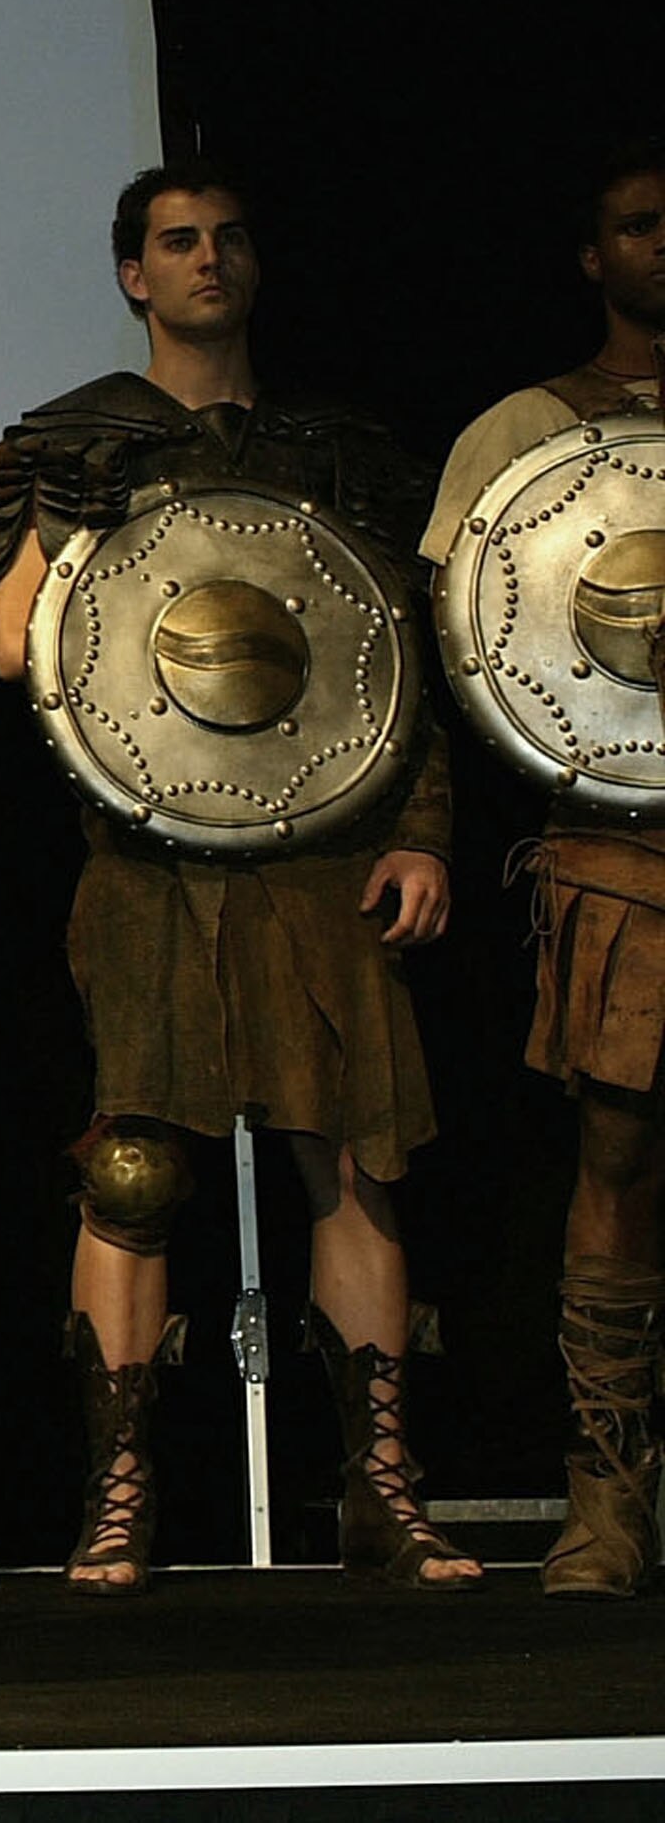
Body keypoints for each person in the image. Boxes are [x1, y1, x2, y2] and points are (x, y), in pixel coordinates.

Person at [0, 159, 480, 1594]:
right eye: (179, 242)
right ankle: (118, 1501)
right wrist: (76, 517)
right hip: (147, 855)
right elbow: (15, 651)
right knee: (131, 1168)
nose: (209, 261)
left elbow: (405, 665)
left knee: (358, 1157)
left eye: (231, 238)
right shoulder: (67, 443)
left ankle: (382, 1490)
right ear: (133, 272)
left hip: (325, 852)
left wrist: (426, 830)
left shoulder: (339, 450)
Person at [417, 137, 665, 1597]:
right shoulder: (528, 425)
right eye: (640, 224)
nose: (664, 245)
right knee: (621, 1147)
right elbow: (473, 644)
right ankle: (609, 1497)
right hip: (618, 832)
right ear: (593, 255)